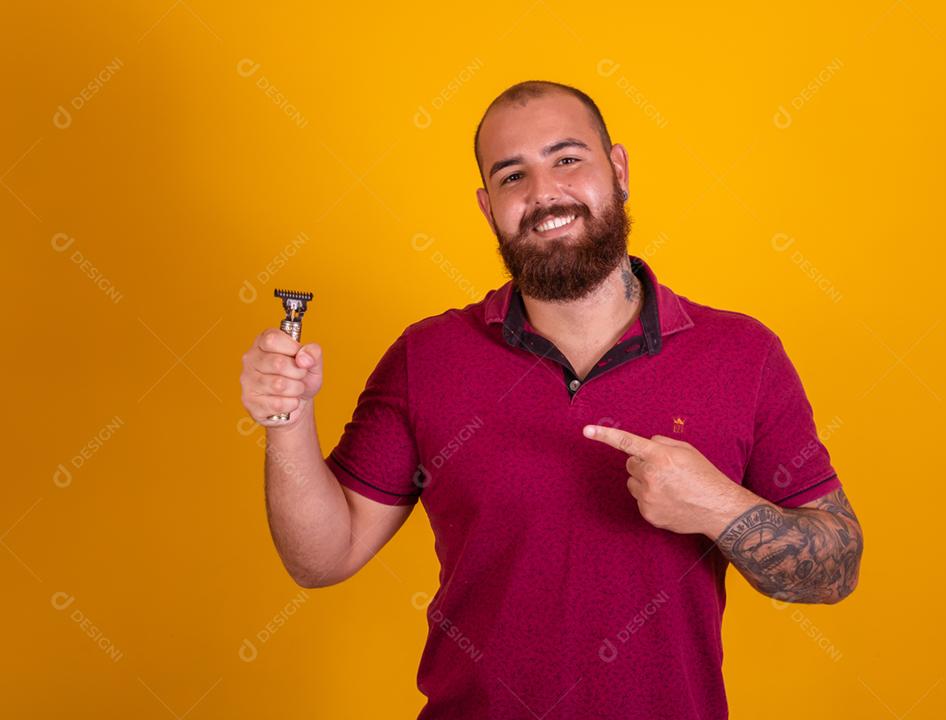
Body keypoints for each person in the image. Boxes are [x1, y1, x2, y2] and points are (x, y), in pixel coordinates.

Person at [239, 80, 864, 719]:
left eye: (567, 159)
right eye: (512, 175)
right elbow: (322, 558)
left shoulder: (742, 354)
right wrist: (285, 419)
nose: (543, 193)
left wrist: (720, 507)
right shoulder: (427, 357)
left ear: (618, 170)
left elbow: (837, 566)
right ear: (487, 207)